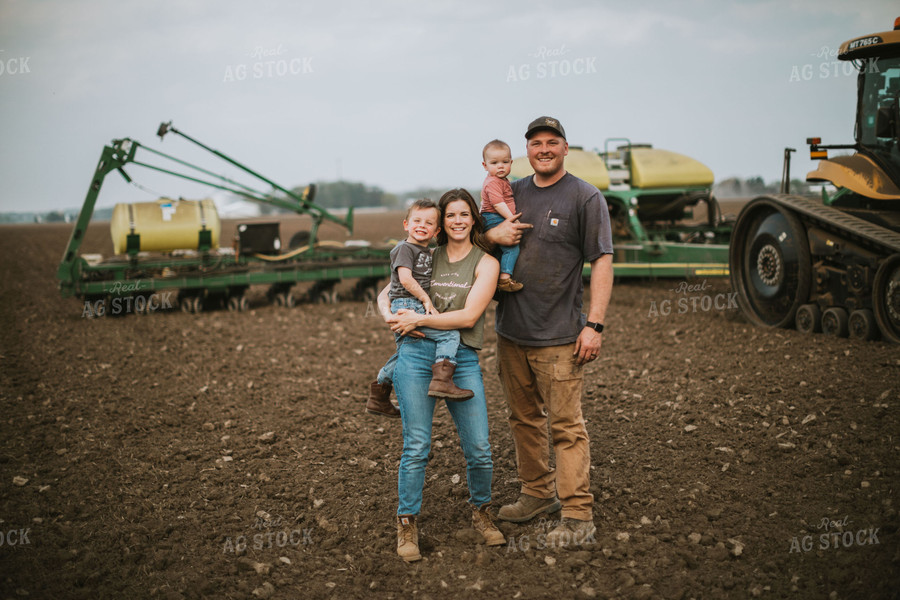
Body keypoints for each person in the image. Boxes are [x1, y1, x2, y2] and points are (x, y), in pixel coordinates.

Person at [485, 116, 614, 548]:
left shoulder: (584, 196)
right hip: (510, 333)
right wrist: (493, 234)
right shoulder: (511, 192)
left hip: (560, 337)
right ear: (527, 151)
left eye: (551, 142)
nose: (543, 149)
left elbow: (603, 263)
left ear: (565, 148)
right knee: (523, 420)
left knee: (566, 427)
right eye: (535, 143)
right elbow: (477, 234)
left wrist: (593, 325)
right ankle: (537, 494)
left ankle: (578, 514)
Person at [377, 188, 504, 562]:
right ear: (441, 225)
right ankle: (407, 523)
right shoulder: (427, 255)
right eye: (451, 216)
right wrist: (386, 311)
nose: (458, 221)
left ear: (473, 219)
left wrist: (420, 317)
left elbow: (468, 318)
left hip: (460, 358)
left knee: (479, 448)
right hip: (416, 356)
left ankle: (482, 513)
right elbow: (390, 288)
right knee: (417, 446)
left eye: (465, 214)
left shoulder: (486, 263)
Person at [366, 199, 473, 419]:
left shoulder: (426, 251)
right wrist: (426, 301)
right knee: (450, 334)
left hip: (408, 303)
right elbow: (405, 279)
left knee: (408, 351)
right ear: (406, 224)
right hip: (408, 303)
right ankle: (443, 381)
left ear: (436, 230)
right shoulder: (404, 248)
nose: (422, 225)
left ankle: (379, 393)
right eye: (417, 221)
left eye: (428, 222)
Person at [480, 139, 523, 293]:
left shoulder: (501, 180)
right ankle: (504, 279)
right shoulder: (492, 182)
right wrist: (512, 218)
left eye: (505, 162)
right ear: (485, 165)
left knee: (504, 249)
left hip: (494, 216)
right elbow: (498, 204)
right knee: (511, 247)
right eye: (494, 163)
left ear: (511, 163)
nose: (500, 166)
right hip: (494, 217)